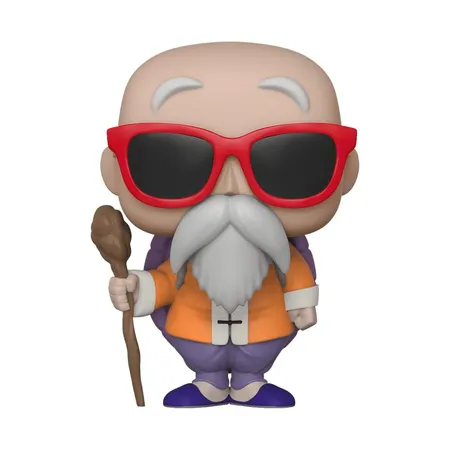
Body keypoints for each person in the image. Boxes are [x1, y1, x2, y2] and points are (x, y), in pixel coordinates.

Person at [101, 42, 359, 407]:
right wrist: (134, 287)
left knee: (257, 355)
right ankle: (207, 380)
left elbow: (294, 274)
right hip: (195, 332)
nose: (231, 188)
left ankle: (250, 381)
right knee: (202, 356)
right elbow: (166, 281)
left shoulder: (280, 254)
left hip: (265, 330)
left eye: (290, 160)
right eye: (171, 160)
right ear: (114, 172)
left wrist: (302, 301)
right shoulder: (184, 255)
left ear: (346, 172)